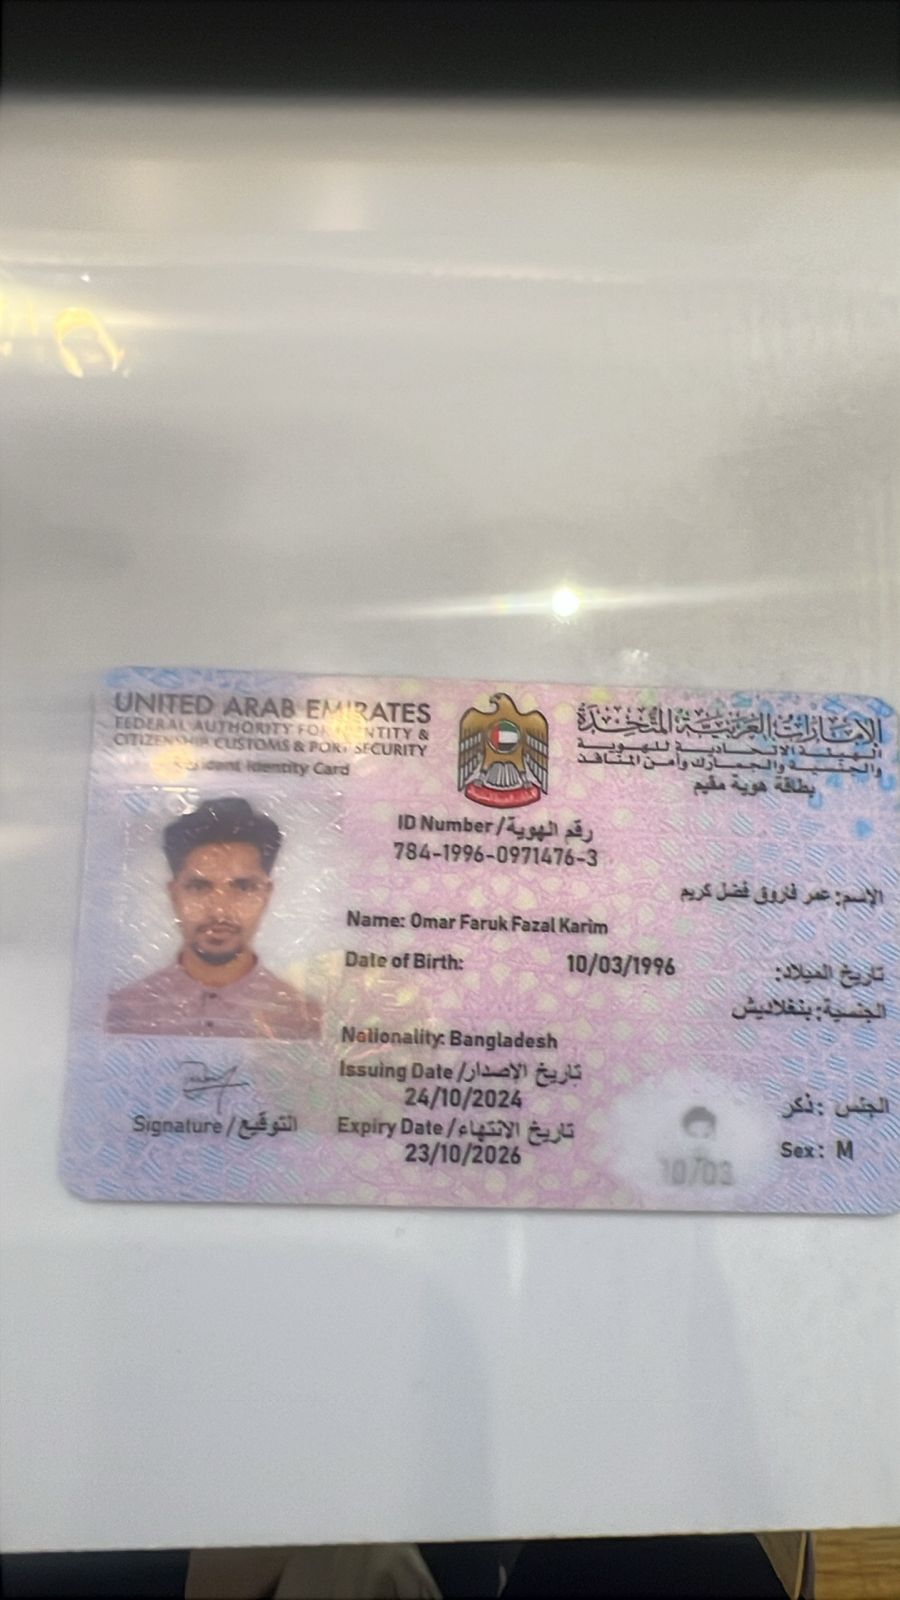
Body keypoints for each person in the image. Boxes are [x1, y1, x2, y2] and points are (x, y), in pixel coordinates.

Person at [106, 797, 320, 1039]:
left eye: (243, 887)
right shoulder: (125, 1014)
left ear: (265, 895)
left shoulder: (302, 1021)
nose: (219, 911)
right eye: (199, 887)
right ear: (174, 895)